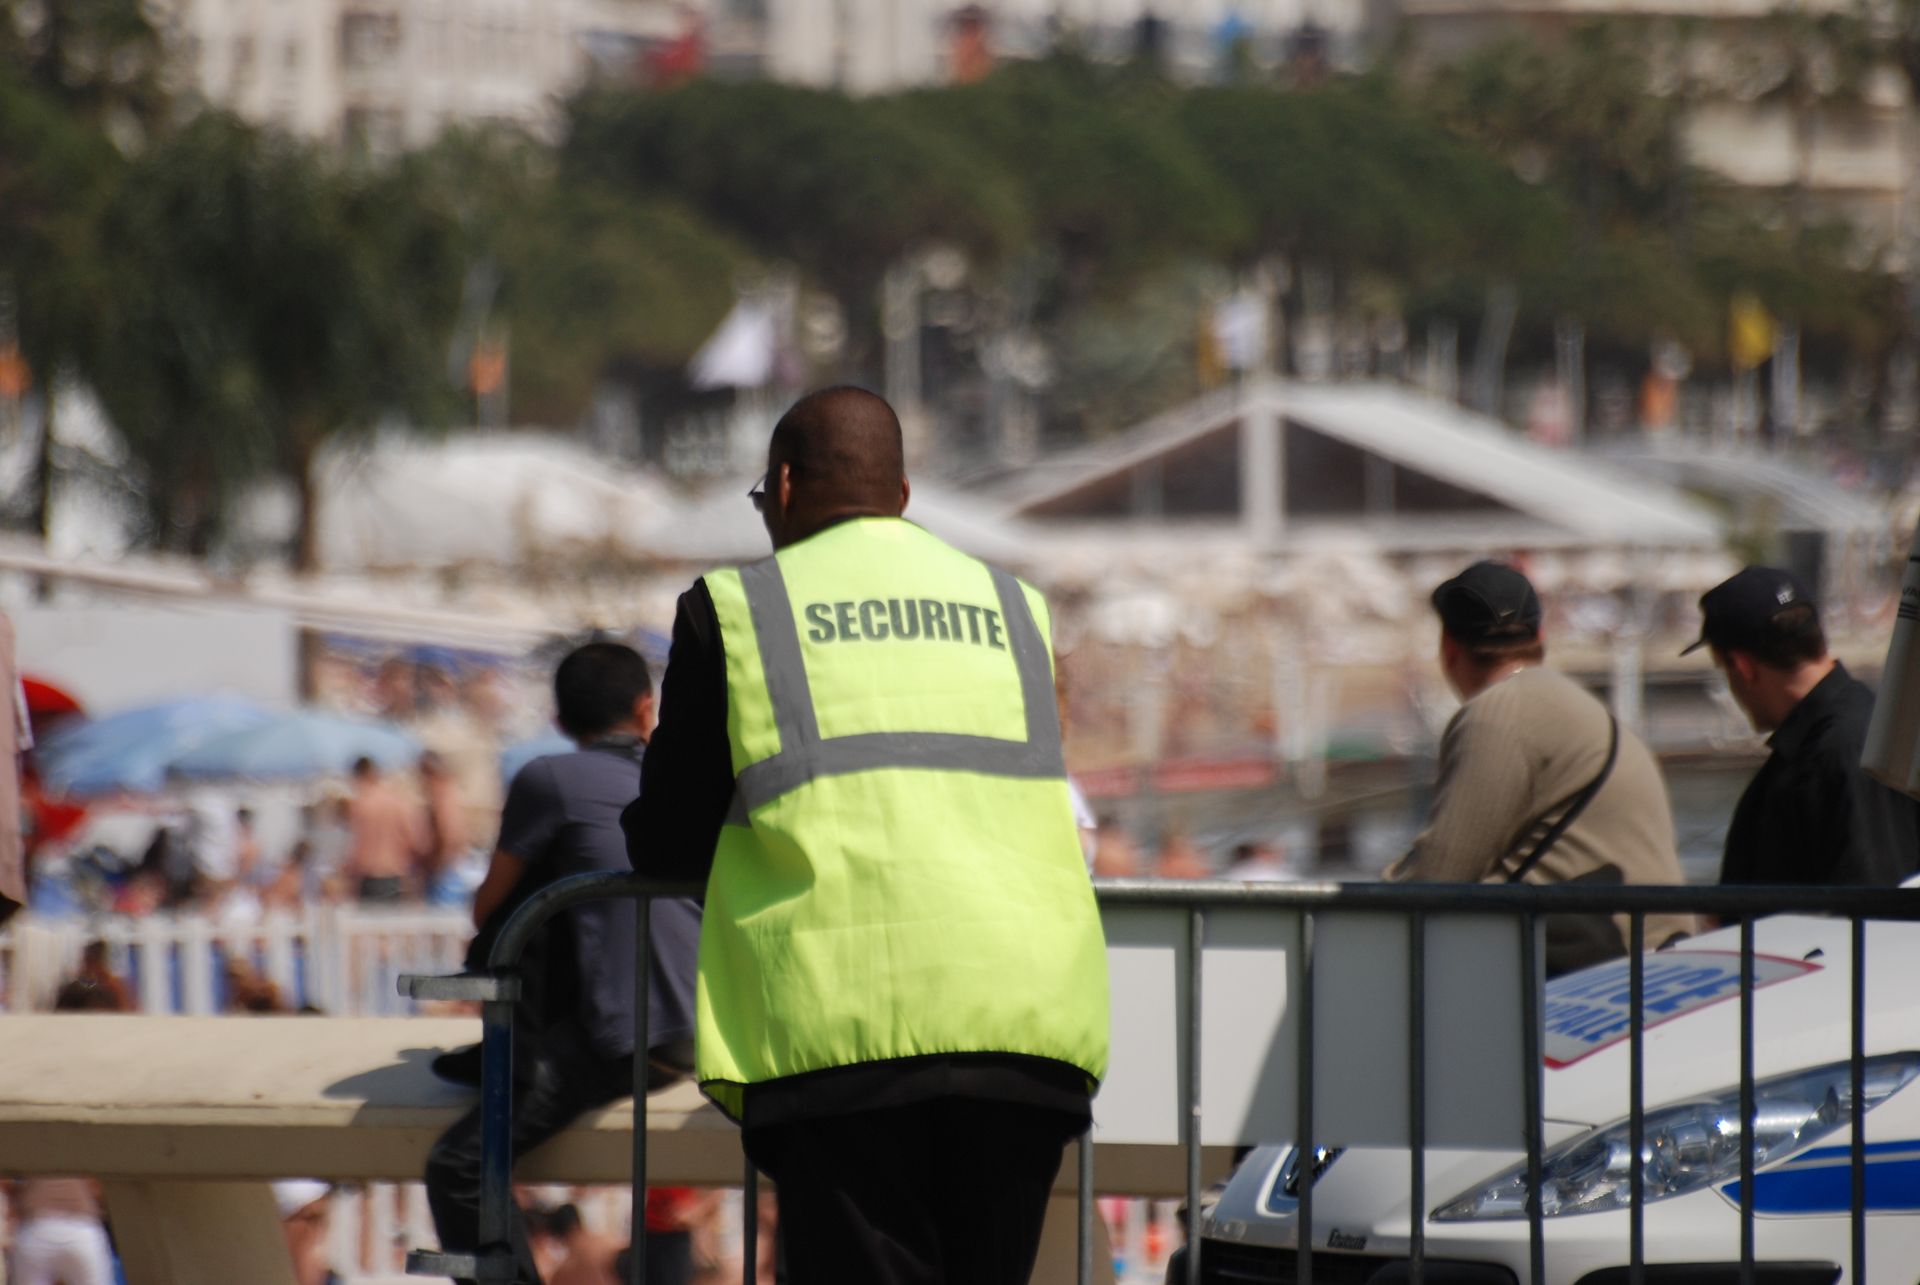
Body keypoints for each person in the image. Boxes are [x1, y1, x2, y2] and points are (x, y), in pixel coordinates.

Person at [623, 386, 1110, 1285]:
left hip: (844, 1033)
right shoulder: (1015, 607)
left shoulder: (737, 609)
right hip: (1028, 1031)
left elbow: (668, 842)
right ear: (904, 494)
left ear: (783, 485)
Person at [426, 642, 701, 1285]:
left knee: (458, 1167)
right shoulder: (686, 779)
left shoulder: (547, 778)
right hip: (701, 1023)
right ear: (646, 709)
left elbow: (487, 907)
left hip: (632, 1042)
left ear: (558, 720)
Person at [1387, 560, 1692, 974]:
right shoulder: (1573, 704)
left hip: (1599, 977)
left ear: (1449, 647)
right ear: (1540, 636)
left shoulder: (1498, 713)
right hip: (1654, 962)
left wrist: (1348, 908)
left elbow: (1439, 874)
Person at [1687, 565, 1920, 885]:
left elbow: (1872, 896)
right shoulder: (1854, 734)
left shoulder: (1843, 750)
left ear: (1742, 667)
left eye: (1723, 670)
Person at [343, 757, 425, 903]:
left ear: (361, 776)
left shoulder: (360, 805)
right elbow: (416, 841)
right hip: (395, 877)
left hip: (368, 877)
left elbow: (355, 848)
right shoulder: (399, 802)